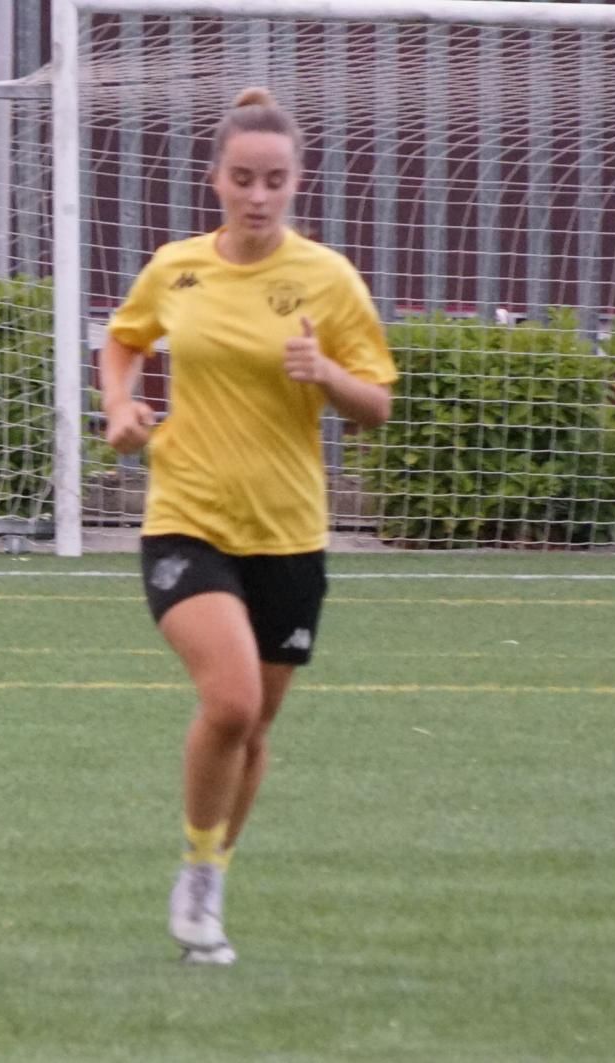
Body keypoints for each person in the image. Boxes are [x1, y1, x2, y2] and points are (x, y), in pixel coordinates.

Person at [99, 87, 396, 966]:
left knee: (255, 730)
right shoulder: (177, 268)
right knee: (227, 701)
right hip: (187, 517)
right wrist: (120, 404)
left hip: (291, 534)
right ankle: (195, 872)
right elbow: (124, 340)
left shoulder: (327, 279)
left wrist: (326, 375)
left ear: (297, 182)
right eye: (242, 178)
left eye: (275, 180)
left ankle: (211, 869)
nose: (258, 195)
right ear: (215, 181)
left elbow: (376, 401)